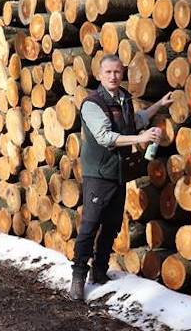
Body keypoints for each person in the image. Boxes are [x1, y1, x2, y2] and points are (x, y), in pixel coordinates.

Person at [69, 54, 173, 301]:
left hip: (118, 173)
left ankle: (99, 271)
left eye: (117, 72)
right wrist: (141, 139)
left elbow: (134, 121)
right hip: (99, 173)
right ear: (100, 75)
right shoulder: (92, 103)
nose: (114, 76)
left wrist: (158, 105)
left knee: (113, 225)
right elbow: (105, 137)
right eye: (108, 73)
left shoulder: (124, 98)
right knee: (90, 226)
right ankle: (78, 277)